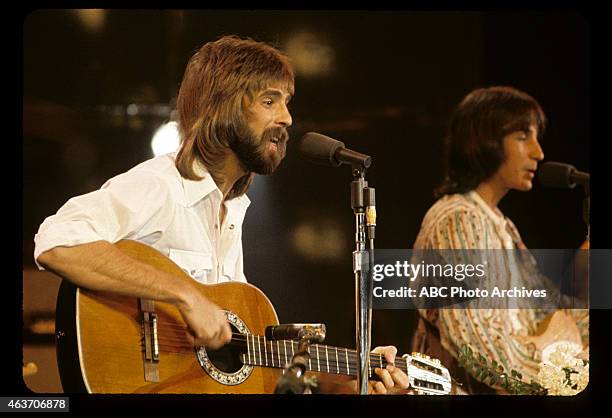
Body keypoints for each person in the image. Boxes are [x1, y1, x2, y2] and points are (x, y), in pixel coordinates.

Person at [34, 35, 408, 394]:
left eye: (287, 102)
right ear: (225, 106)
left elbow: (245, 365)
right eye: (269, 101)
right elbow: (57, 241)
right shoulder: (162, 184)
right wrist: (186, 296)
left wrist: (352, 380)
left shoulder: (233, 210)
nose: (288, 118)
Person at [410, 86, 589, 394]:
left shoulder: (499, 225)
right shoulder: (458, 221)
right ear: (485, 142)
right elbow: (481, 352)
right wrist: (567, 375)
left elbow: (550, 317)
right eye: (522, 136)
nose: (539, 152)